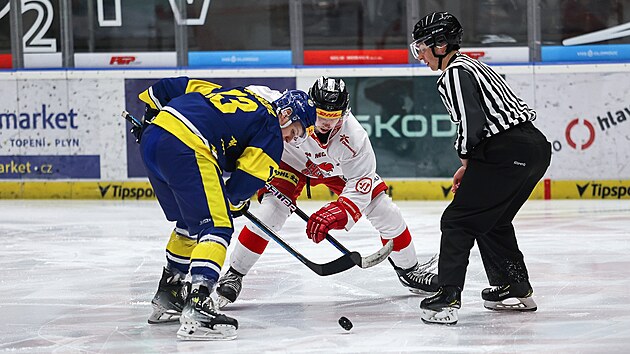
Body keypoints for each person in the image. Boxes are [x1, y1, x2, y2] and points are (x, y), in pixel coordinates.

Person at [214, 77, 439, 308]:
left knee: (385, 211)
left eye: (334, 117)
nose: (325, 123)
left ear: (345, 112)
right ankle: (234, 274)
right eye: (321, 114)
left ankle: (410, 271)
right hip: (289, 163)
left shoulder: (354, 137)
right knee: (271, 212)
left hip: (333, 170)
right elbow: (248, 95)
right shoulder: (290, 108)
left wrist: (341, 210)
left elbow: (362, 180)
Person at [135, 77, 317, 340]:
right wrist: (235, 200)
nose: (292, 138)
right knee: (217, 225)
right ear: (286, 114)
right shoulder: (271, 131)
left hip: (153, 138)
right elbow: (241, 188)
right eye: (297, 131)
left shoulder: (237, 93)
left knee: (190, 223)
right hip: (188, 147)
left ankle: (169, 293)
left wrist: (150, 117)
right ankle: (199, 306)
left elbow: (168, 88)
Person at [409, 12, 552, 325]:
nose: (419, 53)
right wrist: (472, 166)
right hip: (534, 148)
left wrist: (465, 160)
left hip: (506, 151)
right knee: (493, 219)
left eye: (422, 45)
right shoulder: (474, 65)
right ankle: (513, 288)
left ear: (440, 44)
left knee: (458, 221)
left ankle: (447, 297)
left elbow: (470, 123)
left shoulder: (454, 73)